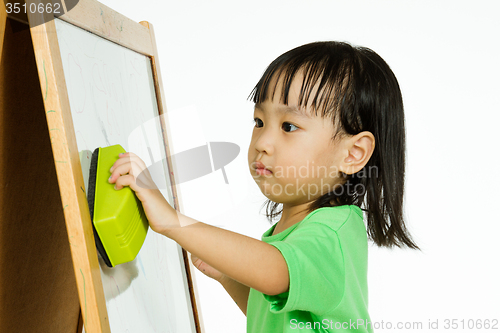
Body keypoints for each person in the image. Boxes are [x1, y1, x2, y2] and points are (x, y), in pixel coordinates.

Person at [108, 41, 419, 332]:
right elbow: (282, 315)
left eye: (289, 126)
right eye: (259, 122)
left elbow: (274, 271)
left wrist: (170, 220)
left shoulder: (331, 234)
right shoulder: (297, 233)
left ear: (353, 154)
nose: (263, 143)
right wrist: (229, 278)